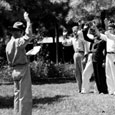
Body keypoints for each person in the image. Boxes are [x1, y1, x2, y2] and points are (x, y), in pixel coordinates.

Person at [6, 11, 33, 115]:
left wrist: (25, 56)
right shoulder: (18, 42)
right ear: (20, 31)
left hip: (14, 70)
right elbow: (29, 35)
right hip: (22, 69)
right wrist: (27, 20)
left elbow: (13, 57)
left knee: (17, 96)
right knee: (25, 97)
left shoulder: (9, 43)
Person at [62, 25, 85, 93]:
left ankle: (84, 88)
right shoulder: (73, 39)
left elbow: (86, 47)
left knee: (83, 71)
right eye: (73, 31)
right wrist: (64, 36)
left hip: (82, 54)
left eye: (76, 31)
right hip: (75, 54)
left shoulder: (82, 38)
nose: (75, 32)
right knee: (77, 72)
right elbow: (64, 43)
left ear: (78, 31)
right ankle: (79, 88)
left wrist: (85, 56)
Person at [97, 21, 115, 95]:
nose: (109, 30)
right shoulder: (108, 37)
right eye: (109, 29)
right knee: (108, 73)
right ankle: (111, 90)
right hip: (108, 55)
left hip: (114, 55)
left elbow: (107, 34)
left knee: (114, 73)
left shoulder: (113, 37)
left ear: (114, 30)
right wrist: (95, 28)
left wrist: (106, 25)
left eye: (111, 29)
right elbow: (99, 35)